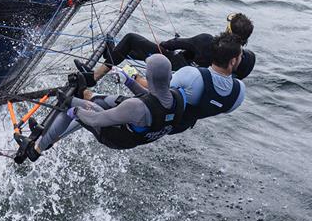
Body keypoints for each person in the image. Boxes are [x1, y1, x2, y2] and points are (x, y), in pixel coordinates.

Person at [16, 54, 185, 163]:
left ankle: (35, 150)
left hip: (114, 137)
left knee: (73, 104)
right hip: (138, 130)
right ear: (170, 77)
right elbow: (153, 99)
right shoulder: (177, 98)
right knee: (108, 101)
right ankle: (51, 135)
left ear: (148, 77)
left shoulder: (135, 107)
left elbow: (96, 119)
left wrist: (74, 108)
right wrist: (128, 81)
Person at [91, 12, 255, 84]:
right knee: (134, 52)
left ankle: (94, 77)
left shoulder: (207, 41)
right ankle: (112, 54)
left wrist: (165, 45)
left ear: (228, 30)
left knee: (131, 39)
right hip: (192, 78)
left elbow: (174, 44)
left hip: (176, 67)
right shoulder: (245, 60)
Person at [169, 32, 246, 134]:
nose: (241, 59)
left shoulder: (192, 75)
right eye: (241, 56)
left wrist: (139, 79)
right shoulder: (239, 91)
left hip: (160, 122)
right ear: (232, 61)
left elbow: (157, 89)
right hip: (181, 127)